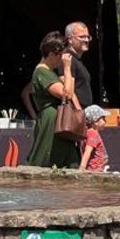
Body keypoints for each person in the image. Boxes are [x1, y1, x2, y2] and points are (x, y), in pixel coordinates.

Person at [26, 31, 81, 168]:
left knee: (68, 158)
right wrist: (67, 68)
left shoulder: (50, 72)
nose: (62, 59)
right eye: (61, 55)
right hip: (51, 122)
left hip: (60, 121)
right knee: (48, 158)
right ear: (51, 54)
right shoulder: (42, 72)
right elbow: (66, 94)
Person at [64, 21, 94, 111]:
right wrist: (79, 111)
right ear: (70, 39)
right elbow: (70, 91)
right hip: (76, 113)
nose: (86, 40)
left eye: (88, 37)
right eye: (82, 37)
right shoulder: (67, 59)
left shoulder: (77, 60)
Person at [80, 104, 109, 172]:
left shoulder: (87, 133)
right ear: (95, 121)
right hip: (95, 170)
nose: (105, 121)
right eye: (103, 118)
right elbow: (87, 152)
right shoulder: (93, 134)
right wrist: (81, 169)